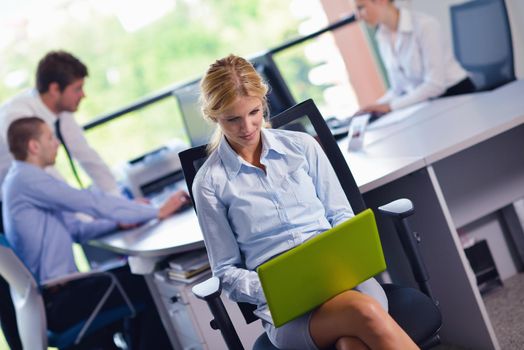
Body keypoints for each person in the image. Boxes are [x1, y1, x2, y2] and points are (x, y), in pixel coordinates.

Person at [193, 54, 418, 349]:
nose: (247, 127)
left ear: (263, 103)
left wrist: (339, 263)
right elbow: (226, 271)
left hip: (342, 277)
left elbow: (341, 216)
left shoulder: (302, 147)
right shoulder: (209, 183)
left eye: (254, 113)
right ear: (214, 117)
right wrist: (276, 288)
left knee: (351, 344)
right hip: (287, 310)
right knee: (364, 312)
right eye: (232, 119)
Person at [2, 117, 190, 349]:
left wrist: (119, 223)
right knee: (150, 285)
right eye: (50, 137)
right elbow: (90, 202)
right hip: (63, 301)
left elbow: (76, 229)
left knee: (139, 280)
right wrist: (155, 211)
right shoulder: (27, 179)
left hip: (56, 300)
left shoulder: (20, 181)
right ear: (34, 146)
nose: (57, 144)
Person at [0, 50, 119, 350]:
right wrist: (107, 213)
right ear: (55, 89)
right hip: (10, 204)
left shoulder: (57, 114)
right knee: (20, 299)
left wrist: (117, 204)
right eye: (77, 88)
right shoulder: (20, 117)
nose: (83, 95)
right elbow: (48, 179)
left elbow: (87, 156)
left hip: (26, 197)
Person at [354, 0, 476, 116]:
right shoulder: (382, 36)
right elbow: (398, 89)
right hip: (426, 104)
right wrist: (374, 107)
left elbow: (435, 85)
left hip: (456, 96)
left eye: (361, 7)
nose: (358, 16)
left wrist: (391, 107)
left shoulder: (425, 25)